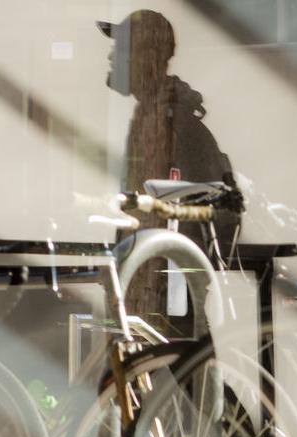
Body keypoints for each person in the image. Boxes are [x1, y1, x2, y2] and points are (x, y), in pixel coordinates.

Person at [101, 10, 237, 335]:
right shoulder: (151, 117)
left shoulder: (176, 127)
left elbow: (211, 214)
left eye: (121, 49)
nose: (110, 56)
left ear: (147, 58)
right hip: (147, 287)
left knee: (189, 375)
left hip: (167, 293)